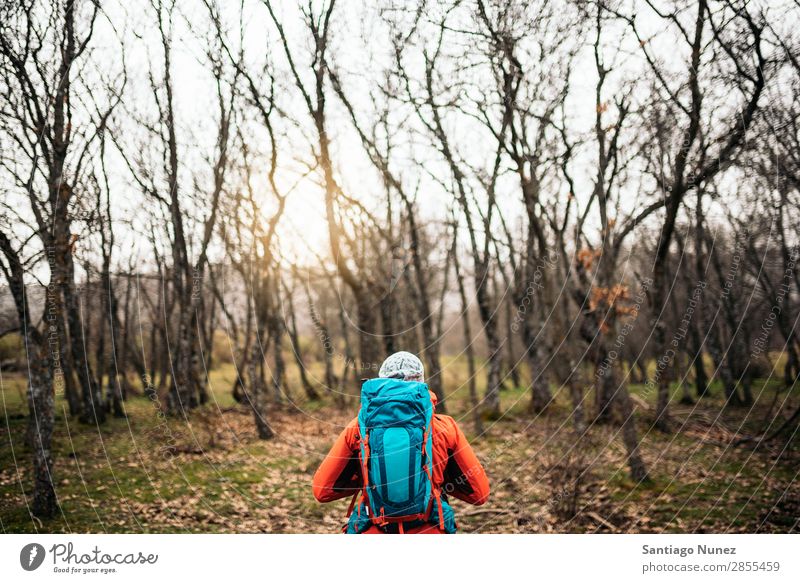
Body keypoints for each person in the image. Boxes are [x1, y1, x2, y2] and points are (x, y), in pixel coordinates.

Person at [312, 351, 490, 533]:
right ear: (421, 383)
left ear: (382, 382)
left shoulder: (358, 428)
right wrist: (439, 481)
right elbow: (479, 494)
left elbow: (322, 490)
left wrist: (368, 477)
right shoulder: (445, 427)